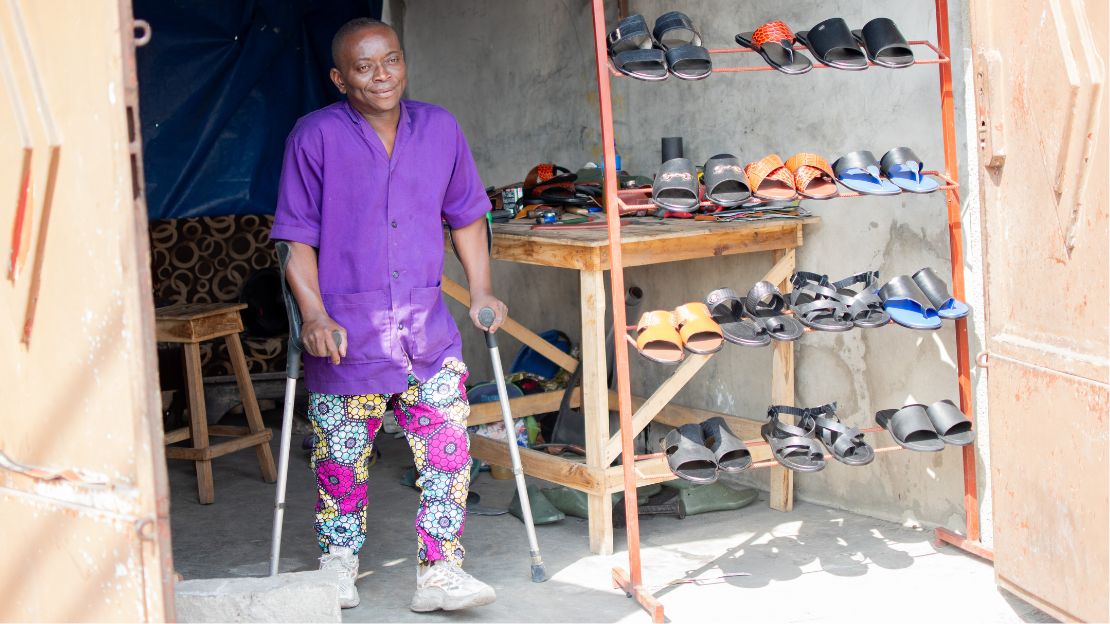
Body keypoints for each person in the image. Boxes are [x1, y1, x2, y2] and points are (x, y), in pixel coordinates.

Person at [271, 17, 506, 612]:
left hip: (426, 327)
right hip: (349, 333)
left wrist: (481, 291)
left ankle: (439, 574)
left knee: (450, 452)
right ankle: (338, 568)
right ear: (339, 77)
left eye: (391, 60)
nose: (382, 76)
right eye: (364, 67)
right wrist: (315, 316)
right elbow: (296, 239)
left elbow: (468, 216)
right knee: (342, 464)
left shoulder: (441, 128)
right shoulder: (314, 135)